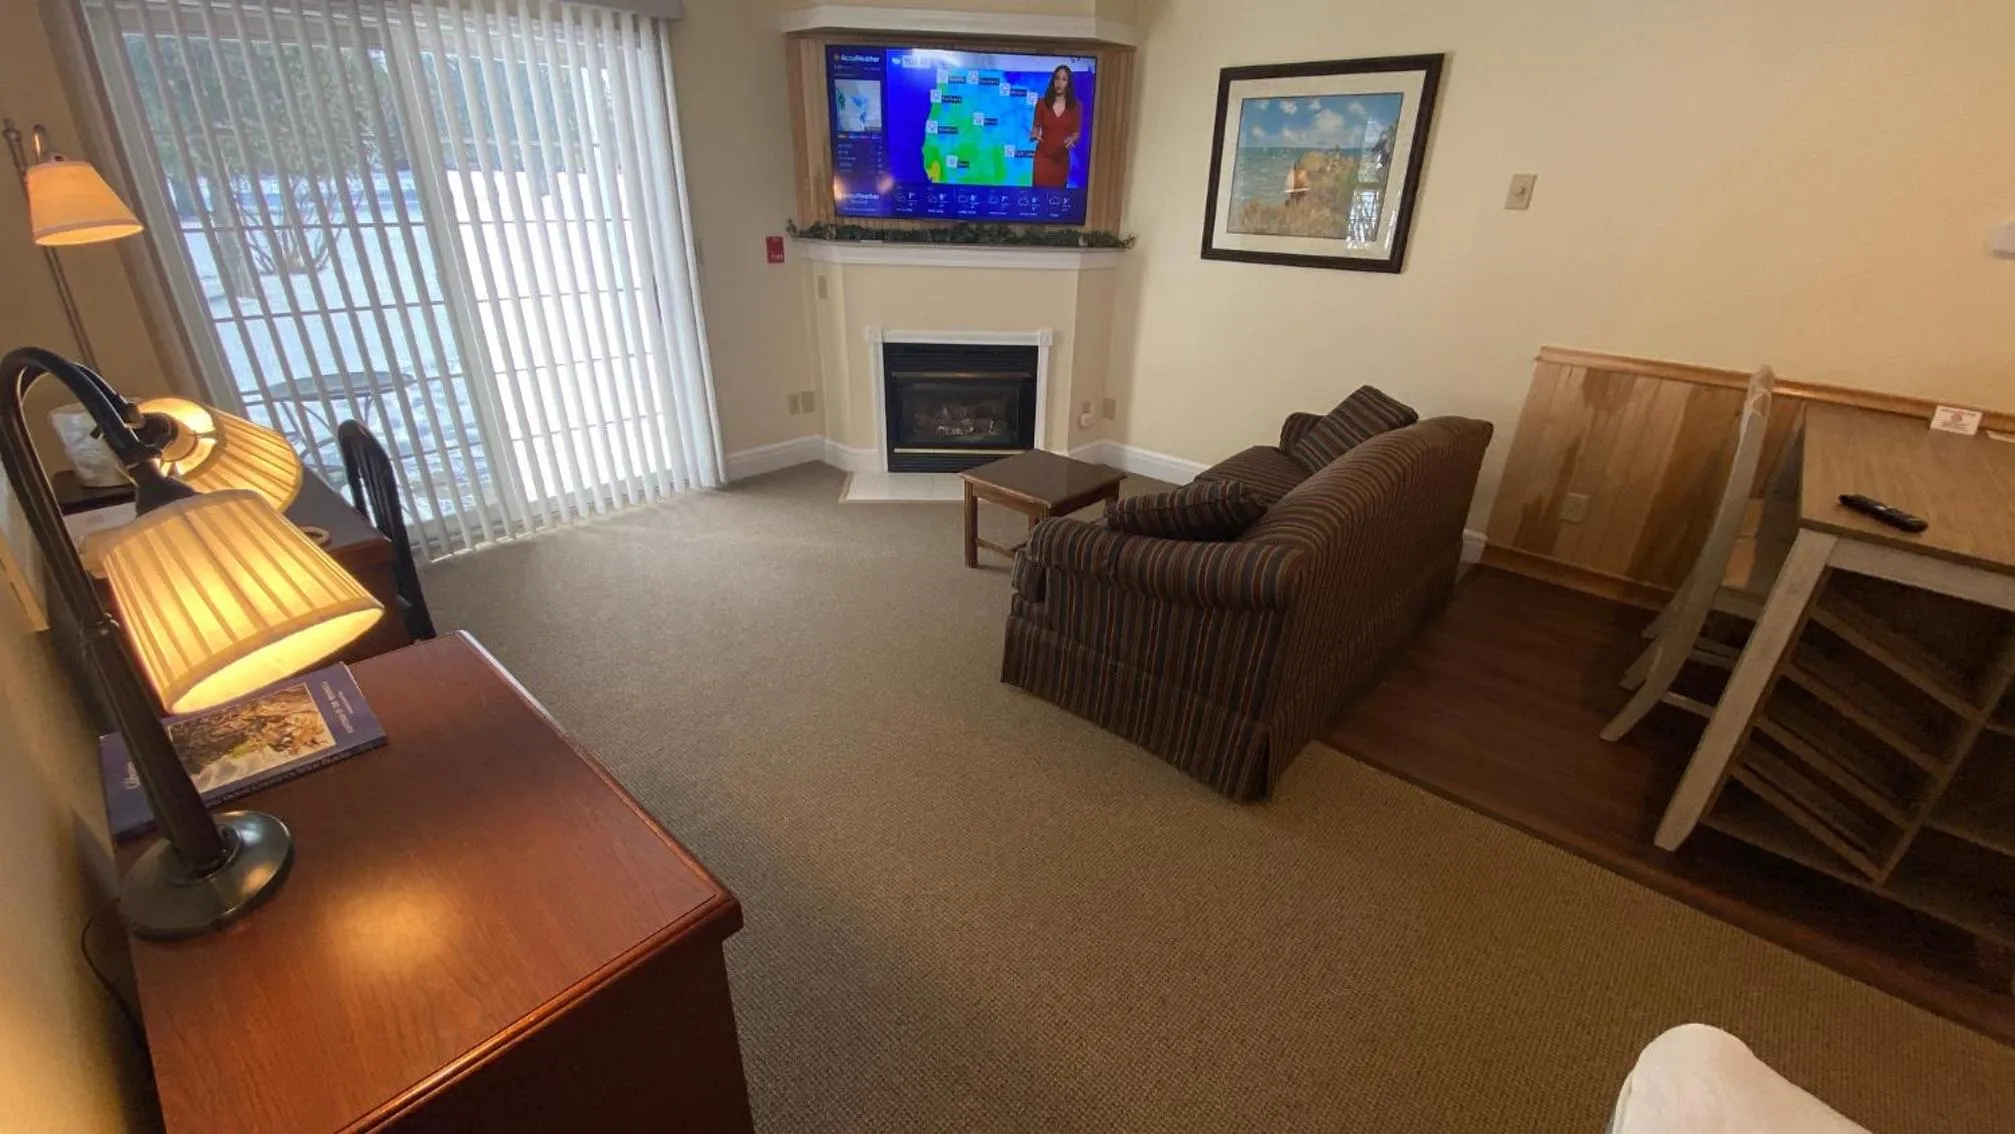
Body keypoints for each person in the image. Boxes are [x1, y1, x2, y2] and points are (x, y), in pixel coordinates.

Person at [1029, 65, 1082, 188]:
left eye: (1064, 79)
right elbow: (1036, 126)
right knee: (1038, 199)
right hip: (1043, 158)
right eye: (1057, 78)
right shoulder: (1042, 103)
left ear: (1068, 83)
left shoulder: (1075, 106)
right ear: (1053, 81)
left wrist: (1072, 139)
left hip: (1061, 159)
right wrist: (1035, 134)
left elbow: (1076, 132)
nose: (1059, 83)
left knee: (1057, 200)